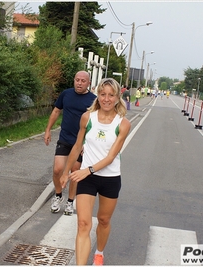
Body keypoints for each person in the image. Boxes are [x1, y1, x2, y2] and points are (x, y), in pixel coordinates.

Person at [59, 78, 131, 265]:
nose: (106, 99)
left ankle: (99, 253)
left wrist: (86, 171)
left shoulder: (122, 124)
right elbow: (77, 146)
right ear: (97, 95)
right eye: (103, 94)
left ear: (117, 97)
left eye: (111, 95)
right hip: (87, 179)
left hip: (110, 178)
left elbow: (110, 157)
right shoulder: (87, 118)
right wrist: (66, 172)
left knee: (103, 220)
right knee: (83, 223)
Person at [44, 70, 96, 215]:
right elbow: (56, 112)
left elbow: (95, 123)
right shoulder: (66, 94)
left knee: (75, 172)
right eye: (77, 80)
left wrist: (87, 143)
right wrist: (48, 130)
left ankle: (70, 201)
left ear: (88, 83)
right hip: (65, 138)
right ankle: (58, 196)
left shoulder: (93, 100)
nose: (79, 83)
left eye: (83, 81)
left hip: (80, 143)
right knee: (57, 170)